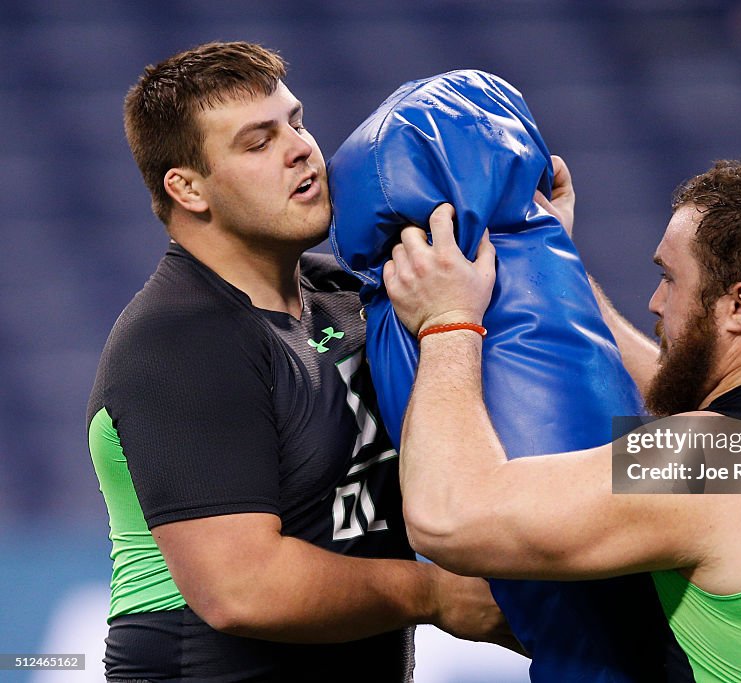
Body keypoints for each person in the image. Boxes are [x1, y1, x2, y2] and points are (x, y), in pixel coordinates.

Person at [383, 160, 741, 681]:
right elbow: (693, 399)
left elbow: (448, 519)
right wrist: (555, 269)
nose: (655, 302)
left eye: (671, 278)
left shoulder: (723, 460)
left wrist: (448, 322)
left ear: (740, 306)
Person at [87, 41, 514, 682]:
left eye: (296, 122)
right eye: (258, 142)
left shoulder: (343, 296)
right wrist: (436, 595)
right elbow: (242, 588)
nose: (300, 148)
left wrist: (532, 237)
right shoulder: (181, 340)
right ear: (188, 188)